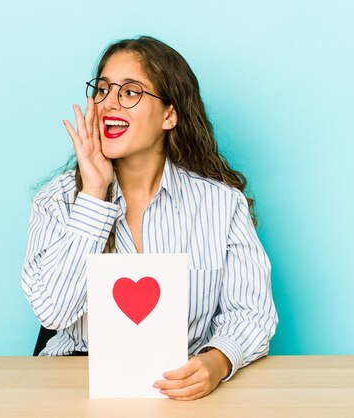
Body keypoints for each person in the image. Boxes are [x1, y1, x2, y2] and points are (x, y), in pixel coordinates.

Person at [21, 35, 278, 400]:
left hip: (179, 386)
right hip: (76, 384)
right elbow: (52, 313)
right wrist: (94, 195)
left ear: (169, 115)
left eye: (130, 92)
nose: (109, 103)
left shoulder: (222, 204)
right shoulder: (56, 202)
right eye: (104, 89)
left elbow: (251, 313)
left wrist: (216, 363)